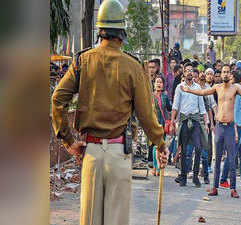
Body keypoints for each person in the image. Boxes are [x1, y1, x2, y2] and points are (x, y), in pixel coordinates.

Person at [51, 1, 168, 224]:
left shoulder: (82, 61)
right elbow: (146, 115)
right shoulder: (133, 66)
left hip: (91, 153)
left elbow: (57, 100)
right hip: (119, 155)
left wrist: (68, 141)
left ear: (100, 31)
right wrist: (160, 144)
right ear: (121, 33)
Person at [180, 64, 241, 198]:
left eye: (227, 72)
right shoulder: (217, 87)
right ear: (221, 75)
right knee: (217, 159)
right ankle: (215, 187)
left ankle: (233, 188)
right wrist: (188, 90)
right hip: (219, 127)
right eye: (223, 72)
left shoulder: (236, 88)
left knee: (232, 159)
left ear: (230, 75)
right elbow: (202, 92)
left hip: (230, 128)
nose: (225, 74)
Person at [170, 62, 209, 187]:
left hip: (196, 120)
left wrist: (206, 123)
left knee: (198, 148)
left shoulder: (198, 87)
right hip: (184, 120)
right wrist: (172, 122)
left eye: (191, 70)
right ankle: (183, 176)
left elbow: (202, 107)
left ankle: (196, 176)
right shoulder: (179, 87)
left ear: (193, 73)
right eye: (187, 70)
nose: (189, 72)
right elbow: (175, 106)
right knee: (185, 150)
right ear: (184, 73)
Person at [152, 76, 172, 175]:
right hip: (154, 124)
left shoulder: (165, 96)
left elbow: (169, 108)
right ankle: (155, 167)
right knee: (155, 146)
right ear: (154, 84)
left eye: (160, 82)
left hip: (163, 125)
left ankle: (160, 168)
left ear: (163, 85)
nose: (159, 84)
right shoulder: (151, 96)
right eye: (157, 82)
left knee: (161, 146)